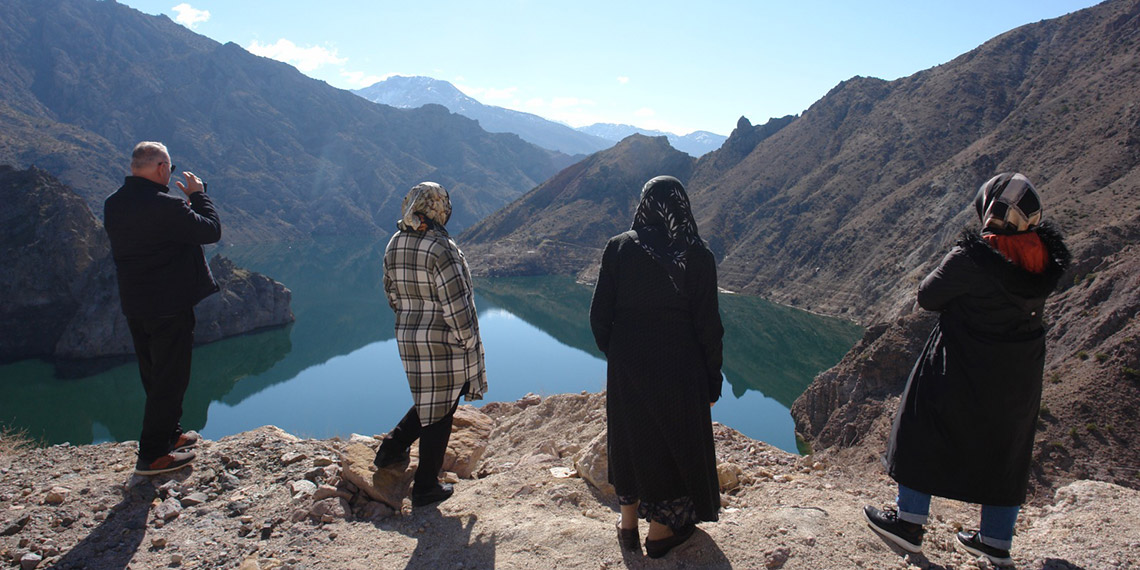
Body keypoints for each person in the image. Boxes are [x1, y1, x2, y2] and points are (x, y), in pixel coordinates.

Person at [864, 172, 1070, 566]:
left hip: (960, 364)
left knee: (920, 424)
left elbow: (928, 296)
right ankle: (994, 540)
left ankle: (908, 523)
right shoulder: (1041, 258)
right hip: (1018, 374)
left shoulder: (974, 257)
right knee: (1006, 447)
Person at [589, 175, 724, 558]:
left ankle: (628, 526)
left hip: (628, 362)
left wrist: (619, 355)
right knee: (672, 443)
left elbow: (599, 316)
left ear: (644, 205)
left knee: (631, 438)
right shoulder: (698, 255)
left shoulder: (619, 248)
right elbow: (709, 328)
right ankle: (661, 533)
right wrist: (711, 381)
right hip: (680, 367)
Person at [104, 141, 221, 476]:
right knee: (171, 378)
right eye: (169, 169)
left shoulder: (114, 204)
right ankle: (154, 455)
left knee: (154, 374)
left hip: (136, 304)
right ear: (160, 168)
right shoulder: (165, 206)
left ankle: (170, 435)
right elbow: (210, 230)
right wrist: (198, 195)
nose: (169, 174)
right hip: (169, 305)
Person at [374, 182, 488, 507]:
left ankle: (391, 448)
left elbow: (391, 293)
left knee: (432, 397)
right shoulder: (442, 248)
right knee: (443, 408)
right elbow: (458, 305)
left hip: (409, 336)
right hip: (445, 340)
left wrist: (412, 318)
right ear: (439, 207)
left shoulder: (395, 242)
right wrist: (468, 342)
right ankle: (426, 485)